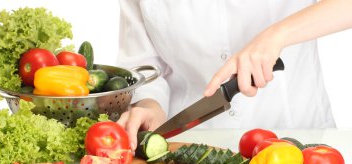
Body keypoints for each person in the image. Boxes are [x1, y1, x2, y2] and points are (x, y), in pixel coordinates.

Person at [116, 0, 351, 151]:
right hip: (189, 149)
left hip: (297, 139)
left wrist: (279, 34)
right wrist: (150, 103)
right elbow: (144, 64)